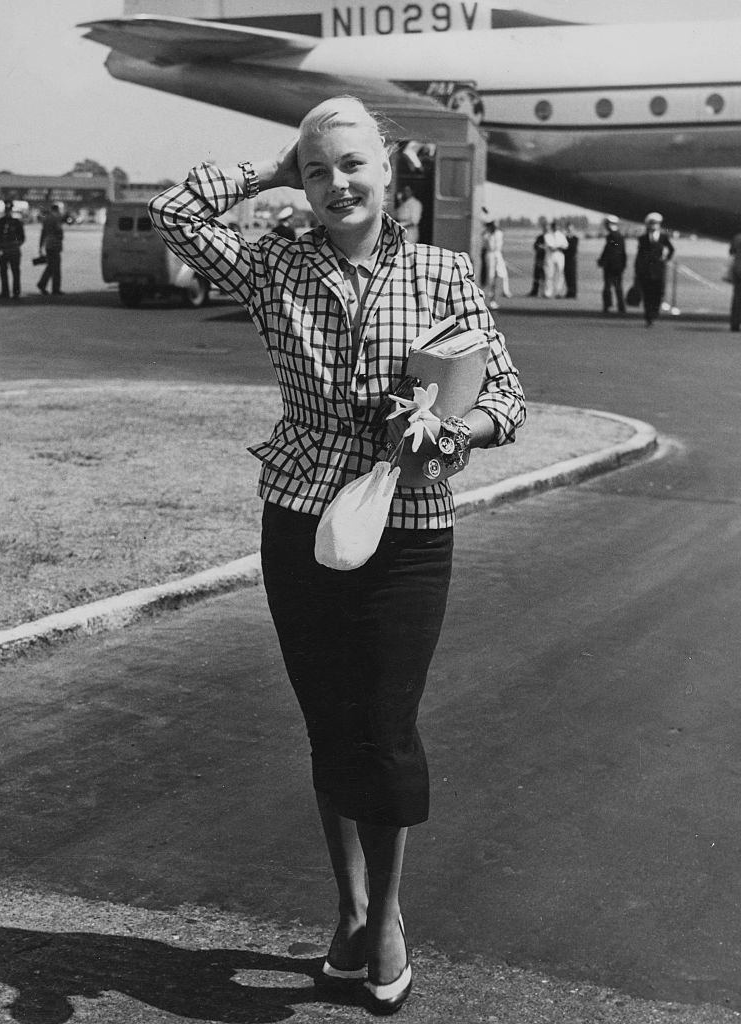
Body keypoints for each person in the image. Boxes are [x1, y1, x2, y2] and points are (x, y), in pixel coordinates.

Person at [148, 95, 525, 1015]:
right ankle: (349, 907)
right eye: (319, 171)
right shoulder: (274, 261)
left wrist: (452, 432)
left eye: (354, 165)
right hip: (300, 513)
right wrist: (279, 165)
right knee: (327, 721)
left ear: (392, 172)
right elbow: (176, 212)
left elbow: (507, 396)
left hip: (410, 525)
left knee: (384, 727)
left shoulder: (443, 272)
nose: (337, 184)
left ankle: (389, 916)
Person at [634, 211, 675, 326]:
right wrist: (638, 268)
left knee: (658, 293)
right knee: (647, 294)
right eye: (651, 223)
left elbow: (671, 249)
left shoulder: (663, 237)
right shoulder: (642, 238)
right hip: (646, 270)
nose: (653, 226)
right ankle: (648, 316)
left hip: (658, 269)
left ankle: (655, 312)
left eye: (656, 223)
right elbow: (640, 254)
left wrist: (666, 259)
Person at [597, 215, 627, 315]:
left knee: (608, 287)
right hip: (618, 265)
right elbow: (621, 251)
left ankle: (608, 305)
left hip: (611, 266)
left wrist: (602, 261)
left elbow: (611, 250)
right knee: (618, 288)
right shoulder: (618, 237)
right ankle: (620, 307)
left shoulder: (613, 237)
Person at [0, 200, 26, 299]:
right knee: (3, 272)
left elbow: (22, 237)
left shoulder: (16, 222)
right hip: (4, 250)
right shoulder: (1, 222)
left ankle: (16, 292)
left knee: (15, 272)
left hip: (13, 250)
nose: (7, 212)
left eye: (9, 210)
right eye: (6, 210)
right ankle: (5, 292)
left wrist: (15, 244)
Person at [483, 219, 512, 309]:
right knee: (491, 278)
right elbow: (490, 246)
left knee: (502, 276)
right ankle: (491, 300)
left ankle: (504, 292)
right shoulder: (487, 235)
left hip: (497, 255)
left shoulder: (498, 233)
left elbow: (498, 246)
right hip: (491, 255)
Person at [37, 203, 65, 295]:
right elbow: (59, 232)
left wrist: (40, 247)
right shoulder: (55, 219)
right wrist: (61, 237)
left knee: (51, 266)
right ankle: (55, 289)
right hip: (55, 245)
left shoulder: (46, 219)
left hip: (48, 245)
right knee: (56, 268)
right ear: (57, 210)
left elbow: (43, 233)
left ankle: (42, 284)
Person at [542, 220, 568, 298]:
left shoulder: (561, 235)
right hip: (550, 256)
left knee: (560, 274)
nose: (555, 227)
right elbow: (550, 246)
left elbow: (566, 245)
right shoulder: (547, 235)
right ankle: (548, 292)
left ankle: (558, 292)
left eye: (557, 226)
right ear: (552, 227)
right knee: (549, 274)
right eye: (554, 226)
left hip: (560, 256)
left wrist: (557, 246)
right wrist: (559, 246)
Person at [527, 218, 547, 296]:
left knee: (545, 277)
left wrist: (543, 247)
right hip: (539, 259)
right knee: (536, 276)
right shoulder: (540, 237)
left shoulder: (550, 238)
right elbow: (535, 246)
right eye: (544, 228)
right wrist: (540, 247)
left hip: (546, 260)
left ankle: (544, 292)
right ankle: (534, 291)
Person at [728, 230, 741, 332]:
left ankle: (734, 324)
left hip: (737, 269)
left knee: (736, 298)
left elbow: (731, 251)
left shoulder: (737, 237)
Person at [563, 222, 579, 298]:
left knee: (572, 277)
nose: (569, 230)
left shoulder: (575, 238)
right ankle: (569, 292)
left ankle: (573, 293)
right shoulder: (564, 238)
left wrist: (565, 250)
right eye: (568, 229)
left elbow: (573, 249)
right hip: (565, 260)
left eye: (571, 229)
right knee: (567, 276)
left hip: (572, 260)